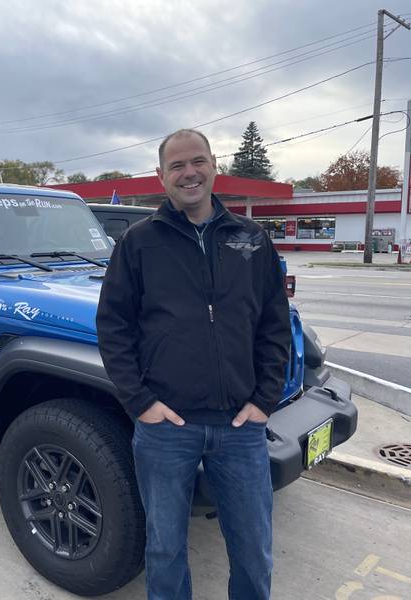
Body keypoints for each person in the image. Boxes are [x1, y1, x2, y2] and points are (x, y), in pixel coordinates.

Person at [96, 129, 290, 600]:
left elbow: (274, 324)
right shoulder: (138, 243)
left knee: (253, 549)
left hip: (240, 427)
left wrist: (265, 399)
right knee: (164, 550)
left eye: (197, 161)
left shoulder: (252, 238)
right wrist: (142, 402)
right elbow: (113, 327)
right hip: (167, 428)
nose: (189, 173)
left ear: (213, 166)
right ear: (162, 177)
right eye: (177, 166)